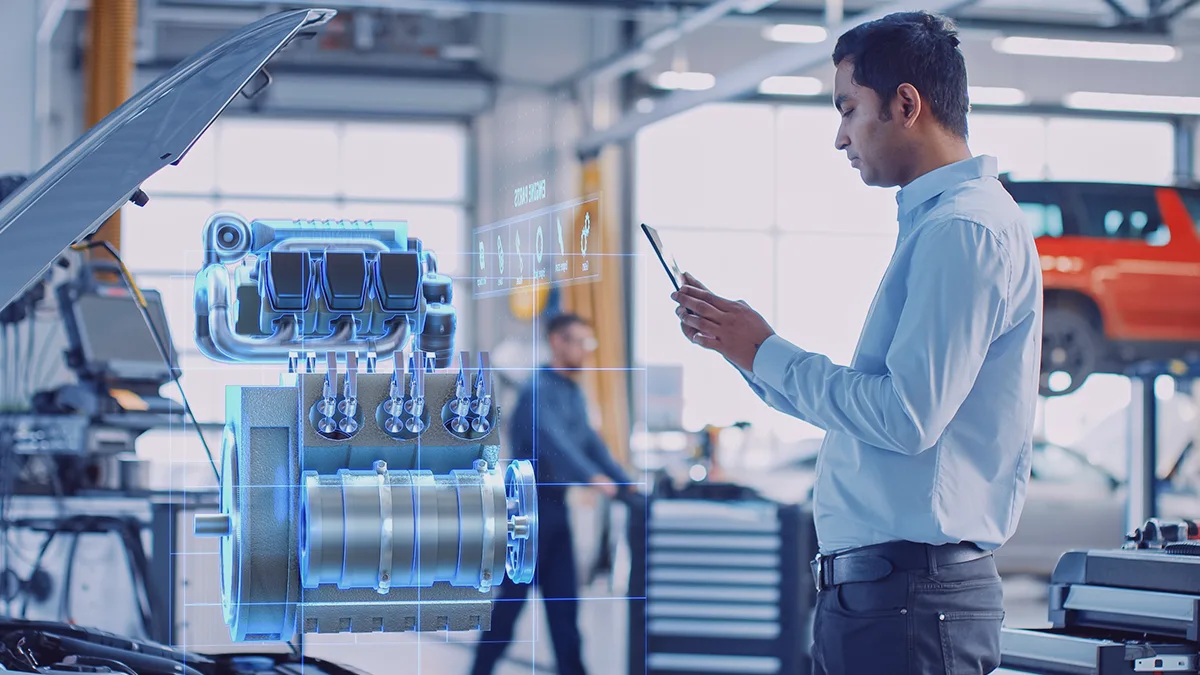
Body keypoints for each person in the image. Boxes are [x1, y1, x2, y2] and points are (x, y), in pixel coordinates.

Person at [670, 11, 1042, 675]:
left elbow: (905, 417)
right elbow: (869, 419)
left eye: (848, 108)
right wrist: (745, 350)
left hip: (910, 604)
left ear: (906, 103)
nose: (840, 136)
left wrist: (765, 350)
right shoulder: (940, 225)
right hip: (889, 599)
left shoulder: (964, 230)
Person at [470, 313, 631, 675]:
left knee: (564, 610)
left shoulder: (571, 391)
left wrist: (626, 482)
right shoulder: (536, 391)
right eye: (580, 343)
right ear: (558, 341)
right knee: (510, 607)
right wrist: (594, 479)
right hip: (527, 513)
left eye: (590, 344)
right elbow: (554, 442)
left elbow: (590, 442)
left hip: (556, 512)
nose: (586, 352)